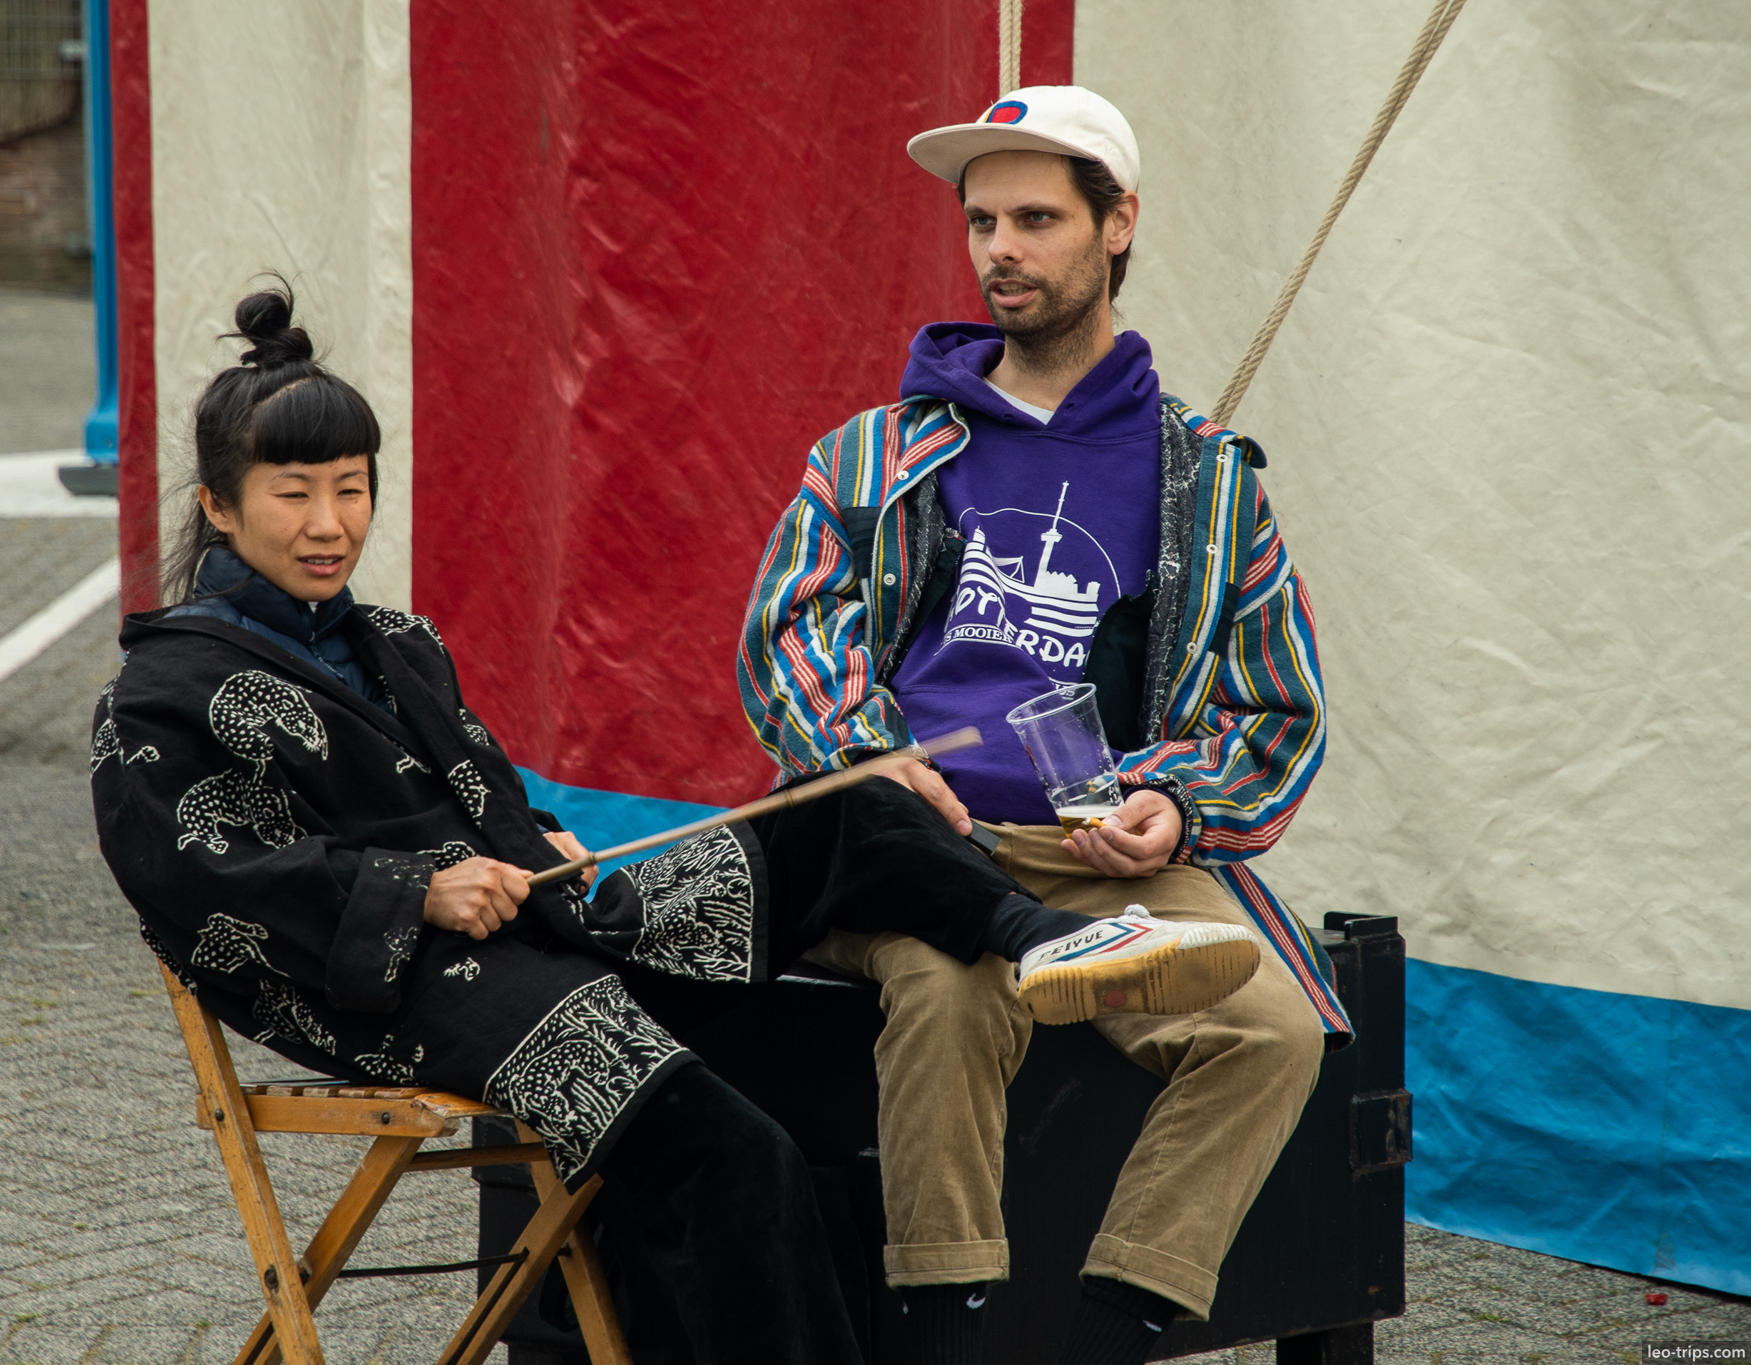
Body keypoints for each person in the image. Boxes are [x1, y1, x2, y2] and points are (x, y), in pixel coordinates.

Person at [91, 285, 1261, 1365]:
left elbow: (489, 804)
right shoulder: (161, 695)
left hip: (540, 918)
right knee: (733, 1155)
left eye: (350, 489)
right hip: (406, 988)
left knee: (853, 798)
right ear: (218, 504)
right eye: (293, 494)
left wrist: (533, 844)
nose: (327, 523)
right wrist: (415, 892)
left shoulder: (397, 644)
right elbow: (207, 881)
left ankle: (1042, 934)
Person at [737, 86, 1348, 1365]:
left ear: (1116, 226)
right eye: (979, 222)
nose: (997, 249)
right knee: (948, 992)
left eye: (1034, 219)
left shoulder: (1208, 476)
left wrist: (1174, 803)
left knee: (1276, 1029)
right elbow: (784, 641)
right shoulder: (872, 452)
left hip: (1107, 859)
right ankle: (943, 1338)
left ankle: (1105, 1334)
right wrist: (871, 755)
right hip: (916, 848)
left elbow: (1272, 710)